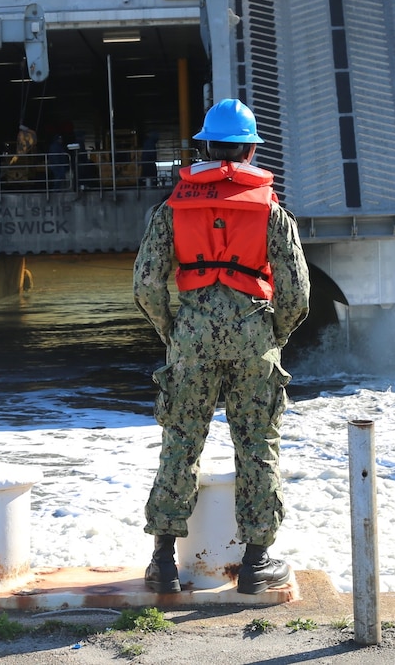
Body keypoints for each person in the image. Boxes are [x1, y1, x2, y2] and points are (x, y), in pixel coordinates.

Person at [132, 98, 311, 596]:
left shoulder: (171, 208)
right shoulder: (271, 210)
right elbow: (297, 294)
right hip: (254, 337)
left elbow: (146, 285)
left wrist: (175, 331)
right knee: (257, 448)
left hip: (190, 338)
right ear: (251, 152)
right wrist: (272, 335)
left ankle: (164, 564)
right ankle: (255, 564)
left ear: (205, 147)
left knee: (180, 444)